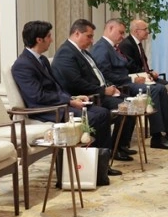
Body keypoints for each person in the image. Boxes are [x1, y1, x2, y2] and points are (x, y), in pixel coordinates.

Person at [10, 20, 121, 177]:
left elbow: (56, 87)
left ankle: (102, 164)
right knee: (93, 118)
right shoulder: (22, 65)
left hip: (59, 103)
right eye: (49, 36)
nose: (51, 40)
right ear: (39, 39)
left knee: (102, 113)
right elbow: (37, 96)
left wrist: (72, 97)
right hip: (44, 110)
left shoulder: (42, 60)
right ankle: (87, 168)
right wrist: (68, 101)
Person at [91, 19, 168, 149]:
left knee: (160, 88)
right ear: (110, 29)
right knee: (154, 90)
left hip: (127, 81)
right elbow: (106, 75)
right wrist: (132, 79)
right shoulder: (101, 47)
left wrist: (140, 76)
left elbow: (127, 66)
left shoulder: (113, 47)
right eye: (120, 32)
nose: (123, 36)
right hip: (121, 85)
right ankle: (157, 137)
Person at [50, 18, 136, 162]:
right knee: (123, 107)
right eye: (89, 36)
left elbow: (98, 75)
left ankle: (119, 147)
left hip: (99, 91)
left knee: (131, 103)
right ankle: (106, 155)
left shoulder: (83, 52)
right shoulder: (66, 52)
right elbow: (76, 83)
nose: (91, 41)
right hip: (87, 95)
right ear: (77, 33)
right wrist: (102, 91)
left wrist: (109, 87)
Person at [118, 19, 165, 83]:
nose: (148, 32)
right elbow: (132, 67)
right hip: (136, 80)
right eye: (145, 29)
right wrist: (149, 75)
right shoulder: (126, 45)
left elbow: (142, 65)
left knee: (167, 84)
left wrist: (150, 73)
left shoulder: (138, 44)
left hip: (145, 77)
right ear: (136, 31)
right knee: (162, 87)